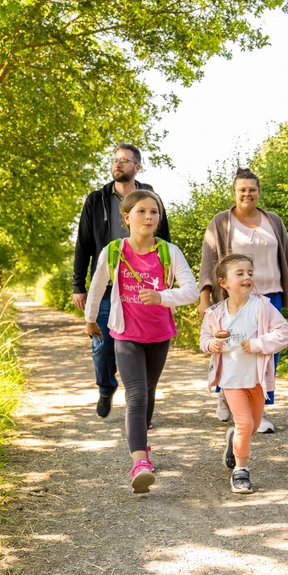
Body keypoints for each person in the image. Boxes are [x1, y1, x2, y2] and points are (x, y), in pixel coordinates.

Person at [85, 189, 197, 493]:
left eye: (154, 212)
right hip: (126, 333)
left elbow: (192, 291)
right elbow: (97, 288)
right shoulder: (113, 251)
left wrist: (162, 296)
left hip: (160, 333)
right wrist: (90, 318)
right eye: (142, 211)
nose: (149, 217)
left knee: (148, 391)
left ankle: (142, 445)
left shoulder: (169, 251)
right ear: (127, 217)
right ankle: (139, 462)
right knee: (135, 395)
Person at [198, 168, 288, 432]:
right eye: (242, 189)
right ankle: (227, 394)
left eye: (252, 189)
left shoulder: (273, 221)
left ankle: (261, 409)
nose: (247, 193)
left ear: (259, 192)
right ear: (234, 193)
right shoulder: (221, 222)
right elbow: (209, 263)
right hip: (236, 297)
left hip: (271, 295)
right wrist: (204, 298)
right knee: (233, 349)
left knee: (267, 351)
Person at [73, 144, 171, 419]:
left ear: (137, 167)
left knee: (144, 346)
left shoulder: (151, 197)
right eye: (115, 160)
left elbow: (165, 243)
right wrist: (78, 285)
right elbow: (83, 244)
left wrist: (167, 291)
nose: (118, 164)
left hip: (144, 287)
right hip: (107, 287)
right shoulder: (96, 199)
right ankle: (106, 388)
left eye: (125, 161)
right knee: (102, 346)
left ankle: (139, 405)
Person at [200, 254, 288, 494]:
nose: (247, 277)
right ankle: (241, 471)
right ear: (224, 283)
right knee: (243, 423)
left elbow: (285, 332)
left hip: (256, 378)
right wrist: (211, 345)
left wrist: (258, 344)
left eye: (250, 273)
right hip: (231, 380)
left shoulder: (262, 307)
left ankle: (234, 441)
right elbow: (205, 338)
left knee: (251, 426)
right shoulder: (215, 313)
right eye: (239, 273)